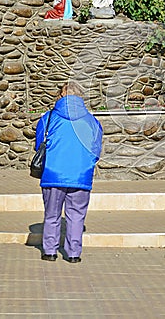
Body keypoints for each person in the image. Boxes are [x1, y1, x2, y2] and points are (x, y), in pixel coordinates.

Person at [35, 81, 103, 263]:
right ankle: (73, 254)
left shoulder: (48, 118)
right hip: (80, 175)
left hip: (53, 174)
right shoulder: (91, 120)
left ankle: (49, 251)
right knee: (76, 216)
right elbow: (96, 149)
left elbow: (39, 144)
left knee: (51, 215)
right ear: (79, 97)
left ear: (61, 96)